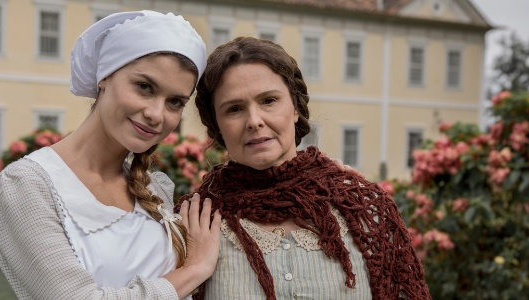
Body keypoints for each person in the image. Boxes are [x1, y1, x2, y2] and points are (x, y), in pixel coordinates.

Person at [0, 11, 222, 299]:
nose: (155, 114)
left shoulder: (154, 188)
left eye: (174, 102)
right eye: (144, 87)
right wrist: (195, 270)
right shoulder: (27, 186)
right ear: (105, 76)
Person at [178, 36, 431, 299]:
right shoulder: (194, 222)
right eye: (234, 109)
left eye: (268, 101)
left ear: (296, 107)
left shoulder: (364, 208)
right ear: (216, 125)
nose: (254, 121)